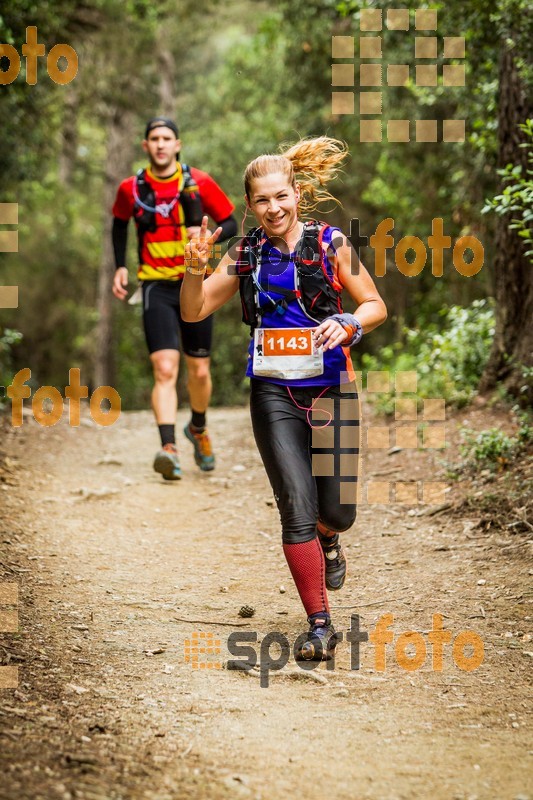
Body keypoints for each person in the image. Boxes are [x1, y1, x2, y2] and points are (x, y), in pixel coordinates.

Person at [181, 136, 387, 661]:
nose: (273, 209)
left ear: (297, 193)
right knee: (296, 507)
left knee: (336, 513)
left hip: (331, 388)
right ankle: (321, 624)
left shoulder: (330, 244)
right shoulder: (245, 253)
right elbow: (194, 310)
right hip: (272, 392)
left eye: (281, 197)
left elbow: (374, 306)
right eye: (262, 201)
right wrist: (192, 268)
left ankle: (330, 539)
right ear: (249, 206)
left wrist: (347, 323)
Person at [111, 117, 237, 480]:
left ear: (177, 144)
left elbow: (230, 222)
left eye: (167, 138)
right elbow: (119, 224)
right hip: (154, 285)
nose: (161, 144)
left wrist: (209, 239)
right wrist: (121, 266)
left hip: (196, 282)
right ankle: (168, 448)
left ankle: (197, 428)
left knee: (198, 370)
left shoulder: (198, 181)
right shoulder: (130, 189)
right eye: (154, 139)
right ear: (145, 145)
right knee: (165, 368)